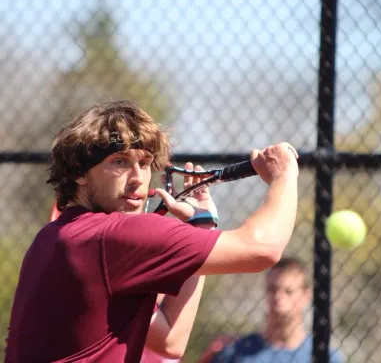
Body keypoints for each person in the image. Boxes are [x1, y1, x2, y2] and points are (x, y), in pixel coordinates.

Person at [6, 100, 299, 363]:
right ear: (79, 172)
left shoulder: (51, 237)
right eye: (119, 162)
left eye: (145, 163)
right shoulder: (113, 237)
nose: (137, 178)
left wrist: (202, 227)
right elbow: (262, 248)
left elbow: (171, 341)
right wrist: (284, 176)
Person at [199, 257, 344, 363]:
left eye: (288, 291)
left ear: (306, 296)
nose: (278, 297)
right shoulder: (235, 351)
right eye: (272, 289)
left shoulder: (325, 356)